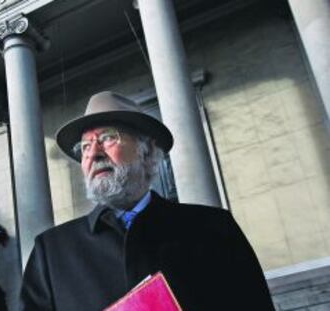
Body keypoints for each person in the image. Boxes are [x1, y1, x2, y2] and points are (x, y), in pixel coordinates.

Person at [20, 91, 275, 311]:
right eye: (85, 146)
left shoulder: (214, 228)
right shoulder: (52, 251)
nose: (94, 153)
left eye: (108, 137)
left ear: (148, 151)